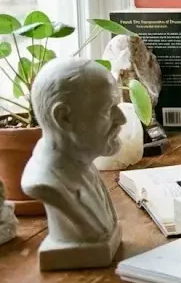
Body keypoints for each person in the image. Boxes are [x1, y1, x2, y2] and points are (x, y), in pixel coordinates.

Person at [22, 58, 125, 267]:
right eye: (108, 109)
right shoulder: (44, 182)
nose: (122, 119)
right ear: (64, 118)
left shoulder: (83, 162)